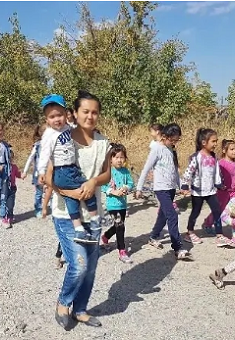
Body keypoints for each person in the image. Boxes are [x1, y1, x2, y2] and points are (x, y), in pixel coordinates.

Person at [46, 90, 111, 330]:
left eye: (95, 112)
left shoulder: (104, 142)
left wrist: (94, 182)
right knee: (79, 264)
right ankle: (63, 304)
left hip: (93, 216)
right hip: (66, 213)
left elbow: (107, 174)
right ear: (75, 113)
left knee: (91, 267)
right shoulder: (60, 140)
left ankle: (80, 309)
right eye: (85, 111)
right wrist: (67, 193)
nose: (90, 116)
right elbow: (47, 177)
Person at [37, 94, 101, 244]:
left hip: (71, 168)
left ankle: (78, 230)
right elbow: (44, 154)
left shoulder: (68, 128)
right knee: (87, 191)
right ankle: (95, 220)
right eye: (52, 117)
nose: (56, 119)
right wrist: (41, 171)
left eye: (59, 115)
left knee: (71, 199)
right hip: (63, 170)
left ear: (66, 114)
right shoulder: (49, 135)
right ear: (47, 120)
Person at [135, 123, 192, 260]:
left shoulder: (171, 150)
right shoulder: (157, 149)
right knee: (172, 215)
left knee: (163, 215)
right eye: (172, 140)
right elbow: (146, 169)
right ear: (165, 136)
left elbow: (175, 173)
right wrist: (139, 188)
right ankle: (177, 248)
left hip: (171, 188)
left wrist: (182, 187)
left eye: (177, 140)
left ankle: (153, 236)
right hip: (161, 189)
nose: (174, 143)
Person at [181, 128, 235, 248]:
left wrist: (219, 184)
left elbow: (216, 172)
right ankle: (189, 232)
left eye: (216, 141)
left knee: (217, 212)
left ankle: (219, 236)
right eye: (213, 141)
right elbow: (189, 171)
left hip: (211, 191)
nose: (215, 144)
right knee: (195, 212)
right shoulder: (196, 157)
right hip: (198, 192)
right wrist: (185, 184)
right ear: (204, 142)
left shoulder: (213, 157)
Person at [101, 143, 135, 263]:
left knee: (117, 226)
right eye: (116, 157)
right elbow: (102, 186)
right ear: (110, 159)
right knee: (120, 226)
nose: (119, 160)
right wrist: (113, 192)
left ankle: (105, 236)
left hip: (123, 204)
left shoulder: (125, 171)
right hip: (112, 204)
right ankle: (122, 251)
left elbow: (131, 184)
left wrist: (126, 187)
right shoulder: (107, 171)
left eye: (122, 157)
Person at [203, 139, 235, 230]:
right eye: (231, 149)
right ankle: (208, 223)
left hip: (234, 191)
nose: (234, 151)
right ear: (224, 150)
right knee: (219, 209)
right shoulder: (221, 163)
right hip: (223, 191)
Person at [22, 124, 45, 218]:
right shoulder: (37, 146)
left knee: (51, 192)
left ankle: (53, 208)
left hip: (49, 173)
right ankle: (38, 209)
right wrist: (25, 171)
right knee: (39, 193)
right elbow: (30, 158)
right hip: (38, 174)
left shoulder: (53, 144)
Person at [4, 148, 22, 228]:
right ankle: (4, 217)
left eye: (11, 158)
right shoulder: (2, 167)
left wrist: (22, 175)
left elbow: (17, 174)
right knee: (4, 204)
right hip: (4, 188)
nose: (10, 159)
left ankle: (10, 216)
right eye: (8, 158)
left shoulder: (14, 167)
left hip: (12, 188)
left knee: (11, 204)